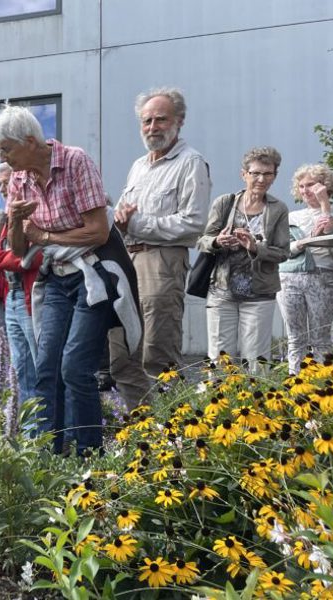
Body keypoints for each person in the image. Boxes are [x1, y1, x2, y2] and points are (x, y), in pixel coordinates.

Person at [0, 104, 139, 454]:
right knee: (47, 368)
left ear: (29, 141)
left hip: (91, 276)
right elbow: (18, 248)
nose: (2, 157)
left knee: (75, 367)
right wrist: (15, 220)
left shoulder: (75, 161)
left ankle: (88, 453)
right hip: (55, 277)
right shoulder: (19, 179)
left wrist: (44, 236)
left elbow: (98, 232)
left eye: (6, 149)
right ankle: (49, 454)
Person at [111, 87, 212, 400]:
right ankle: (135, 421)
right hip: (128, 260)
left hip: (162, 262)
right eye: (147, 121)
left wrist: (136, 224)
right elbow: (125, 214)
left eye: (160, 119)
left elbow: (194, 223)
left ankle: (171, 423)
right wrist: (119, 219)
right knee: (123, 348)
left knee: (157, 352)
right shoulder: (139, 166)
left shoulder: (191, 162)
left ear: (179, 121)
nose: (152, 127)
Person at [197, 147, 289, 365]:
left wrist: (255, 248)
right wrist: (218, 241)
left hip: (259, 293)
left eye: (268, 174)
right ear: (244, 174)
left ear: (274, 176)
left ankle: (255, 390)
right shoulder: (225, 203)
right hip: (222, 291)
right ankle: (219, 388)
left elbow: (283, 252)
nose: (261, 179)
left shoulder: (278, 209)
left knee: (257, 360)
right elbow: (202, 240)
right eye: (255, 173)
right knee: (220, 359)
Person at [276, 164, 333, 373]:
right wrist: (306, 241)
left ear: (324, 185)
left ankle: (322, 383)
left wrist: (324, 204)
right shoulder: (290, 217)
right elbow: (281, 250)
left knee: (320, 337)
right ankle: (295, 382)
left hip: (324, 277)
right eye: (301, 186)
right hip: (288, 277)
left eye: (310, 185)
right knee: (295, 338)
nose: (305, 190)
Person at [0, 162, 41, 404]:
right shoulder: (8, 215)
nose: (2, 188)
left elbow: (30, 257)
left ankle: (47, 421)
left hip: (30, 295)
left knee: (39, 363)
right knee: (21, 367)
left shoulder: (32, 210)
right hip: (12, 295)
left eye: (6, 182)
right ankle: (29, 424)